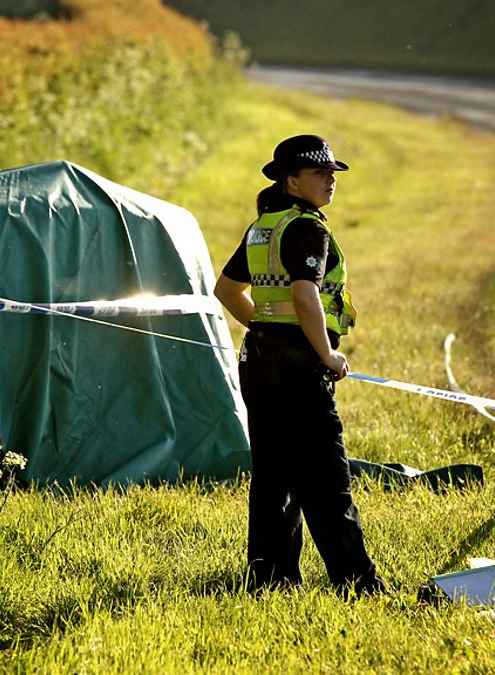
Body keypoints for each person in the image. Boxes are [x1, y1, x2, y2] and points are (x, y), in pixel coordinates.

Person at [214, 134, 386, 595]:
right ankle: (358, 586)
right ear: (292, 181)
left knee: (274, 479)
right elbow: (305, 294)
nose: (331, 180)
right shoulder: (308, 227)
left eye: (333, 173)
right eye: (319, 173)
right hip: (298, 372)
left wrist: (266, 330)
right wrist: (326, 354)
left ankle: (271, 583)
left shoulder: (264, 226)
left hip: (259, 363)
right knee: (327, 481)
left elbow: (227, 291)